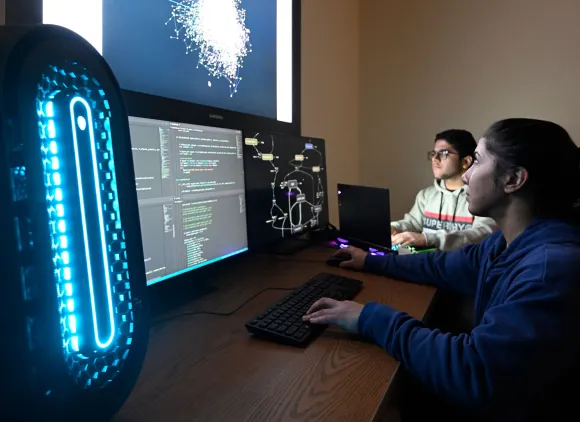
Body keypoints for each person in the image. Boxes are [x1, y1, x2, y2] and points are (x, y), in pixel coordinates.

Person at [303, 119, 580, 421]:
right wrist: (370, 261)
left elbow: (474, 372)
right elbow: (441, 265)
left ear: (513, 179)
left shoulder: (550, 269)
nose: (468, 175)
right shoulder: (505, 243)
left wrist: (368, 316)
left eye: (477, 161)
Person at [391, 129, 497, 251]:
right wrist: (393, 228)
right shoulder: (426, 195)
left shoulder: (482, 197)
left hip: (462, 266)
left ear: (466, 161)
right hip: (427, 263)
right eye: (433, 153)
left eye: (444, 153)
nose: (435, 159)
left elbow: (483, 233)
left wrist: (427, 239)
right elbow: (412, 224)